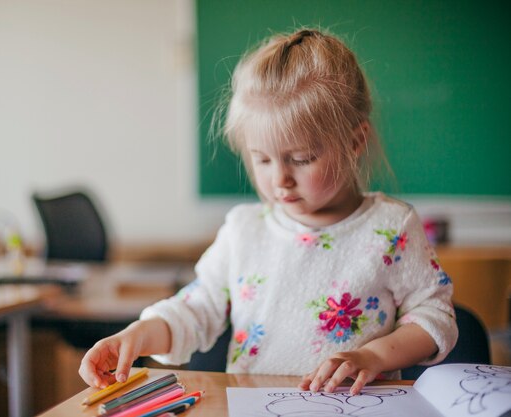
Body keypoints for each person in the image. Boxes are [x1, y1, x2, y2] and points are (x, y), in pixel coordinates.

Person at [79, 27, 458, 395]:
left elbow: (435, 318)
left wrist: (372, 355)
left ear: (355, 142)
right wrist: (136, 336)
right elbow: (194, 309)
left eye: (302, 158)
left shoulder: (391, 227)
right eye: (261, 159)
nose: (280, 179)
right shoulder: (243, 229)